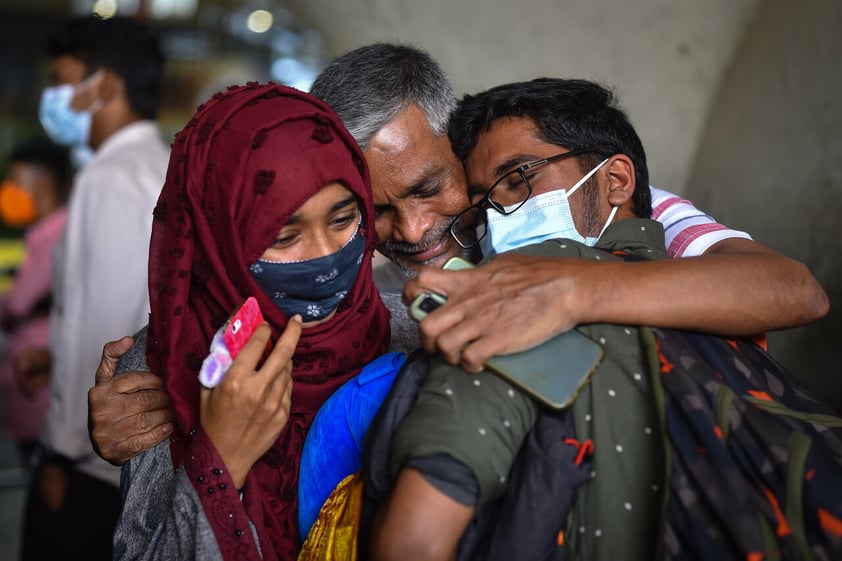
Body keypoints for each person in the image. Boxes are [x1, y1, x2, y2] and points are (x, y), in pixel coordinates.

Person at [87, 43, 828, 467]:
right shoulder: (342, 291)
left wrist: (569, 289)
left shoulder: (586, 211)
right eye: (371, 210)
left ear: (459, 141)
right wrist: (151, 414)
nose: (411, 230)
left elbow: (790, 290)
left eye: (430, 186)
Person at [365, 78, 842, 561]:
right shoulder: (510, 289)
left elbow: (795, 289)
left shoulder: (527, 293)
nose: (502, 214)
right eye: (485, 203)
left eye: (518, 178)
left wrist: (566, 287)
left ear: (617, 181)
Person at [112, 83, 398, 560]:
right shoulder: (166, 366)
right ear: (217, 237)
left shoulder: (414, 335)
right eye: (284, 236)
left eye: (343, 219)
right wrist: (220, 460)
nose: (326, 257)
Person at [19, 15, 169, 560]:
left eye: (62, 80)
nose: (54, 96)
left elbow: (99, 332)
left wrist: (61, 455)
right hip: (148, 442)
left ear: (104, 84)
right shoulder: (165, 165)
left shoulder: (108, 178)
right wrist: (53, 354)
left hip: (92, 459)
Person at [0, 137, 71, 470]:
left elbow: (18, 304)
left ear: (42, 181)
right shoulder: (42, 234)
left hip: (41, 400)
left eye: (16, 180)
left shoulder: (57, 235)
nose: (8, 189)